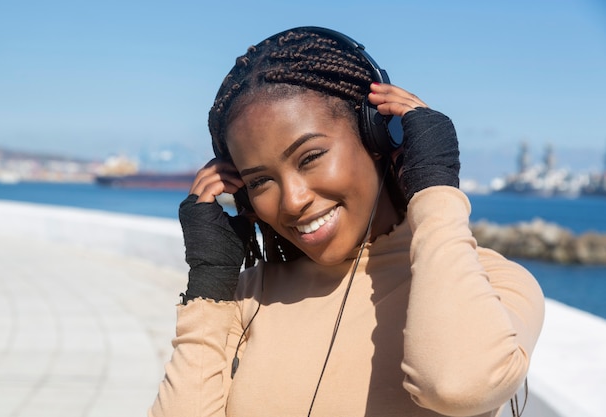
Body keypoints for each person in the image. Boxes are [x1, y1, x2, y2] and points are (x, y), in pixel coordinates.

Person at [149, 26, 544, 417]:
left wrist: (434, 190)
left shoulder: (493, 285)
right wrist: (209, 281)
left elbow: (457, 386)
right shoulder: (245, 297)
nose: (293, 200)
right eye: (261, 181)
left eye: (310, 157)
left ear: (378, 137)